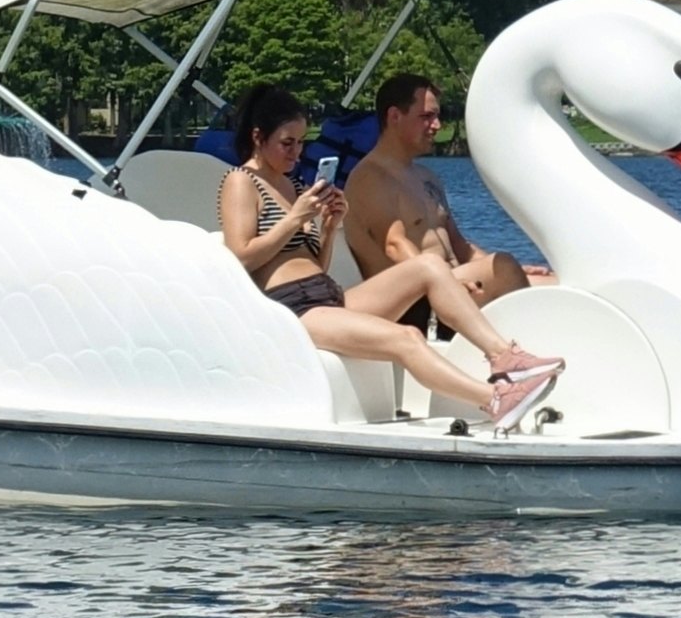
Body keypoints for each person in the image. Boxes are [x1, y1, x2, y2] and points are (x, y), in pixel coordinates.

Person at [219, 85, 561, 432]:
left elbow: (313, 265)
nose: (296, 153)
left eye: (301, 142)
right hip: (291, 308)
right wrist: (295, 218)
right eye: (287, 143)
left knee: (429, 266)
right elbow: (239, 258)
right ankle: (495, 400)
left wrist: (329, 228)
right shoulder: (240, 181)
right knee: (407, 337)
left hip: (325, 294)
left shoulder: (292, 185)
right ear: (258, 137)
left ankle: (505, 357)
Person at [338, 68, 538, 330]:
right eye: (426, 117)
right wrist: (449, 283)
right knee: (504, 267)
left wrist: (513, 270)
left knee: (547, 281)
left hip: (451, 285)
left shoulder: (426, 177)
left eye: (436, 116)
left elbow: (460, 247)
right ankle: (526, 344)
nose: (437, 126)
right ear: (395, 116)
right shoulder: (370, 178)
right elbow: (394, 245)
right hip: (413, 304)